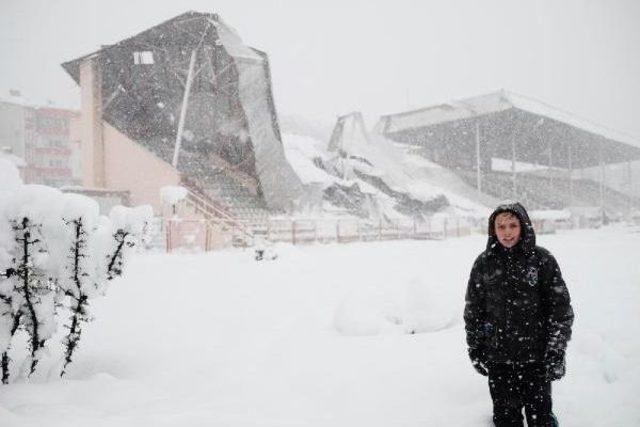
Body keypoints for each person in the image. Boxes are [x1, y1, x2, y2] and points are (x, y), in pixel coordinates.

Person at [464, 202, 574, 427]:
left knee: (540, 418)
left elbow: (561, 310)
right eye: (500, 226)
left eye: (512, 225)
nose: (506, 232)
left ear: (524, 226)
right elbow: (473, 310)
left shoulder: (542, 260)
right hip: (499, 360)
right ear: (492, 229)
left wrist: (556, 349)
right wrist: (475, 346)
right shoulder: (484, 263)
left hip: (536, 359)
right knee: (506, 419)